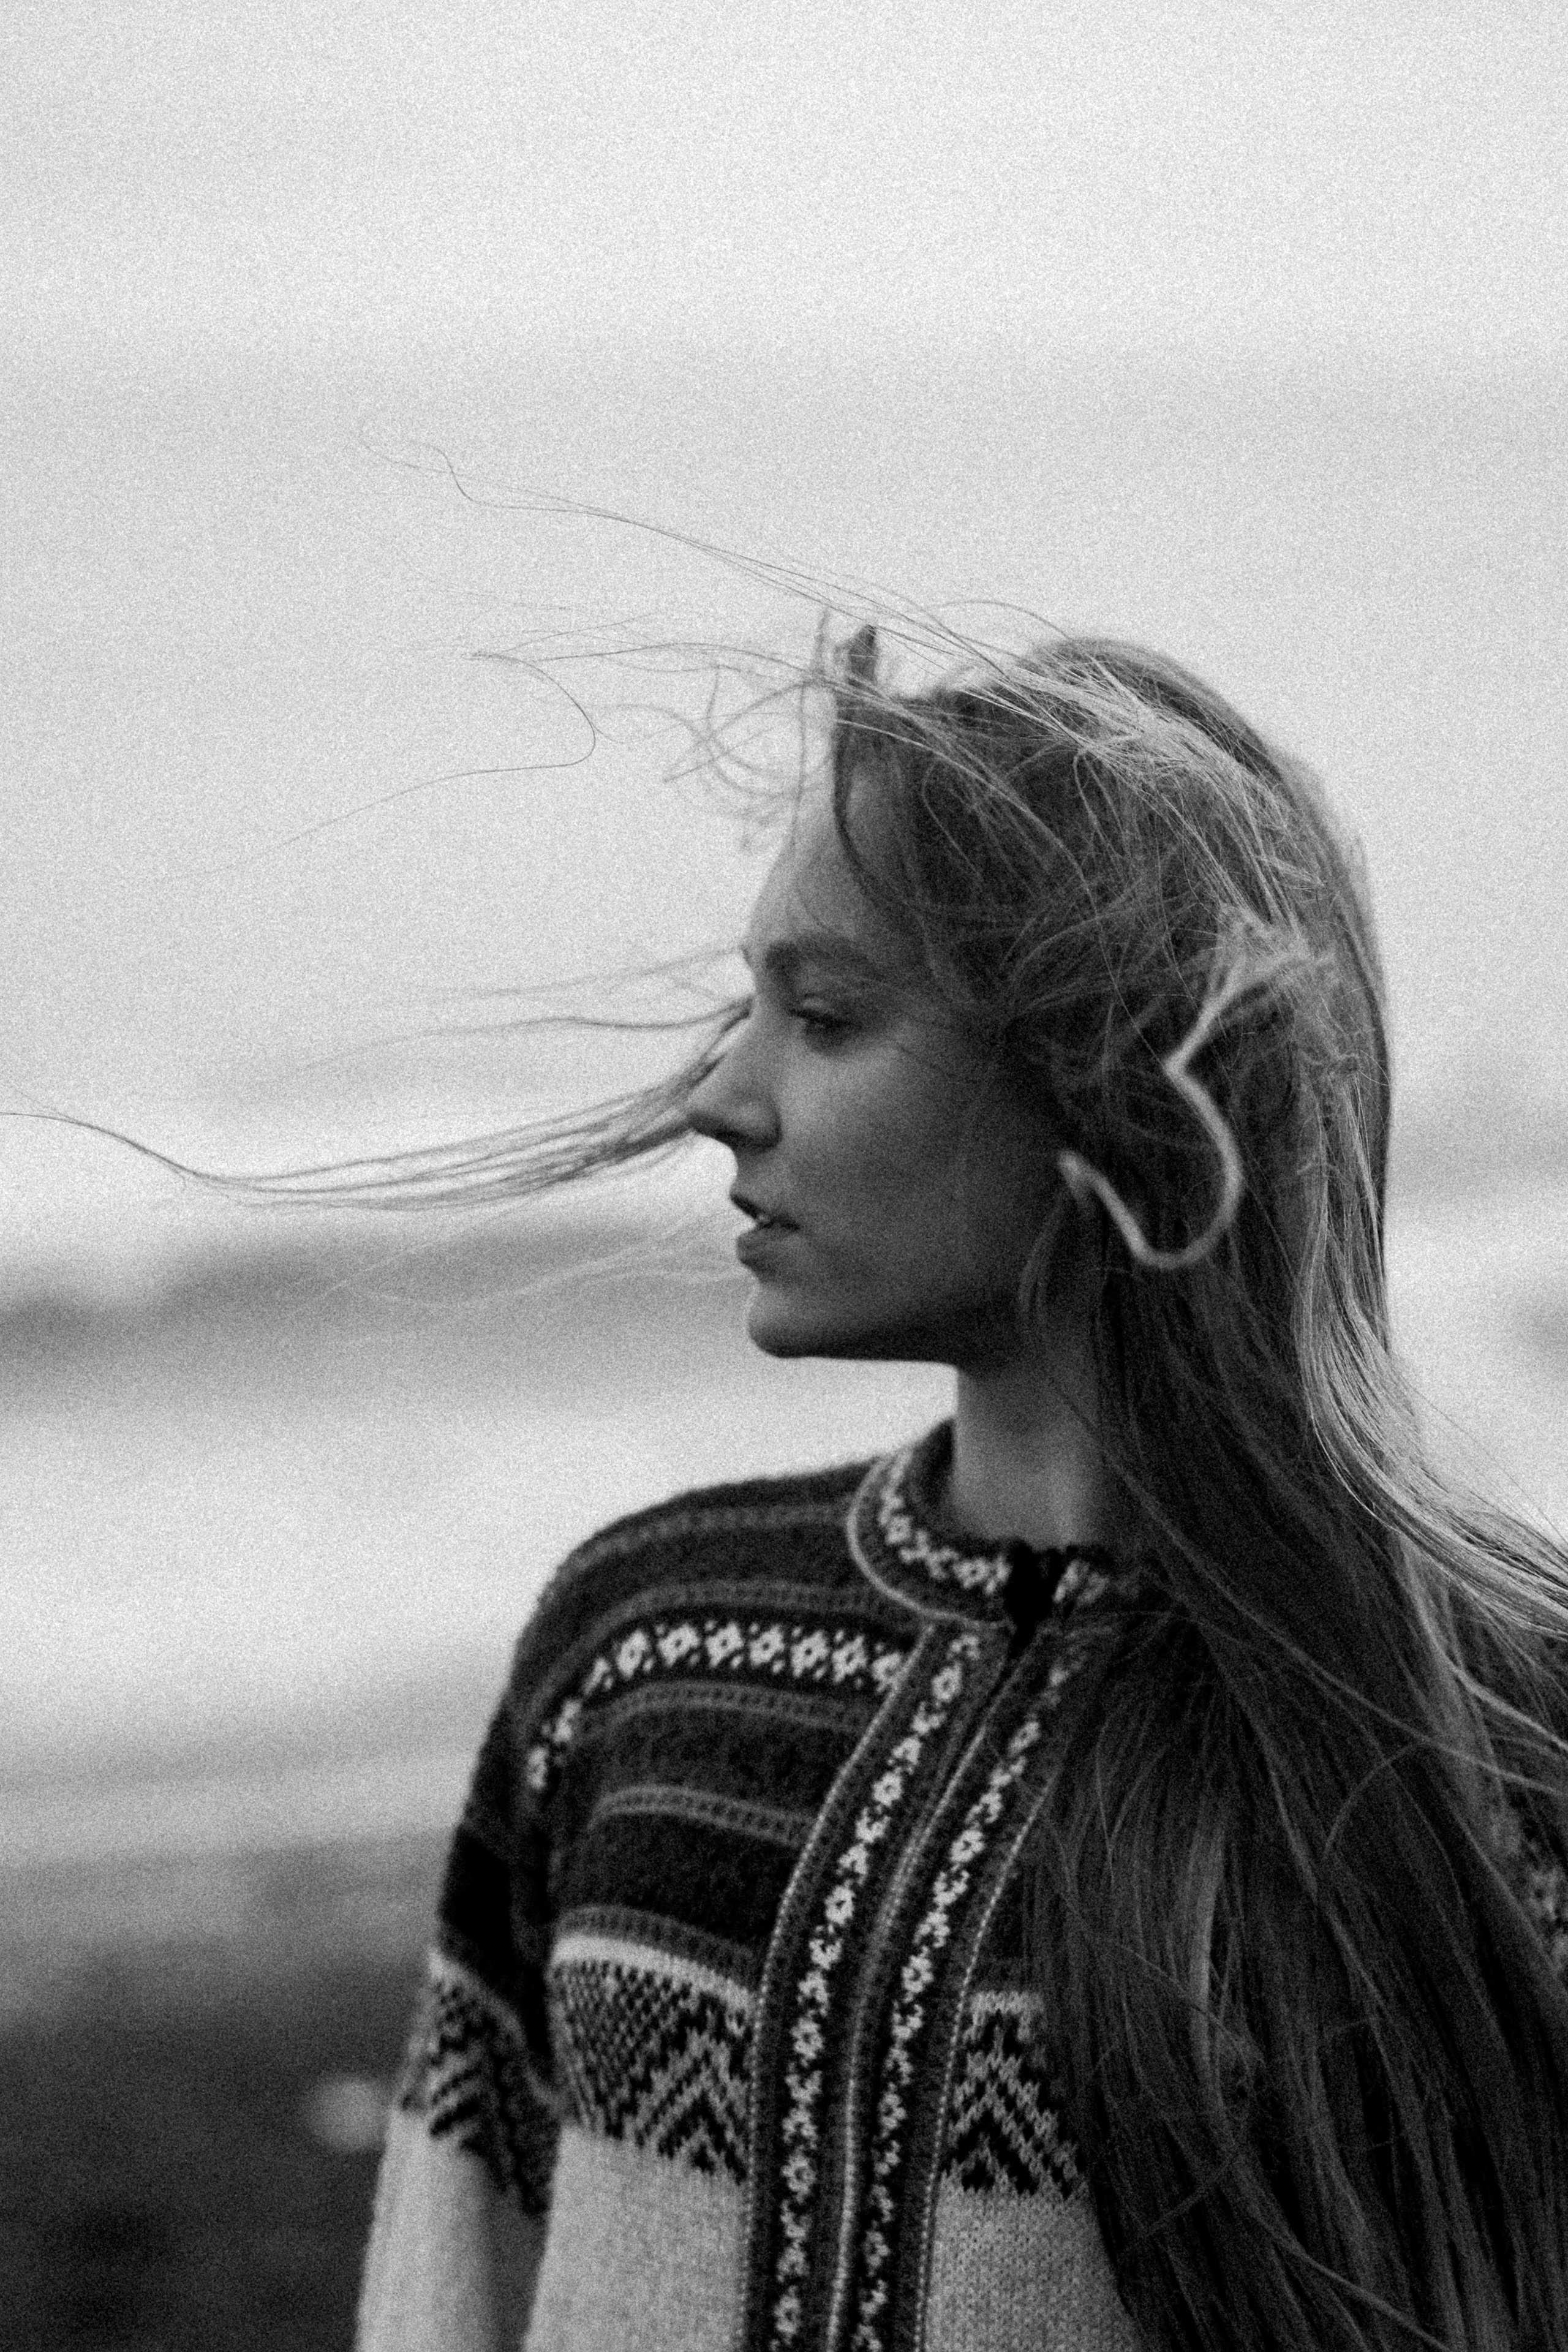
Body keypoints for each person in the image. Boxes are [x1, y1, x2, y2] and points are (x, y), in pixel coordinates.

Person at [354, 625, 1568, 2352]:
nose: (721, 1095)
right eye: (749, 1006)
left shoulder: (1502, 1727)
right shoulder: (642, 1649)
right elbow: (443, 2282)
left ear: (1121, 1082)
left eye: (828, 1017)